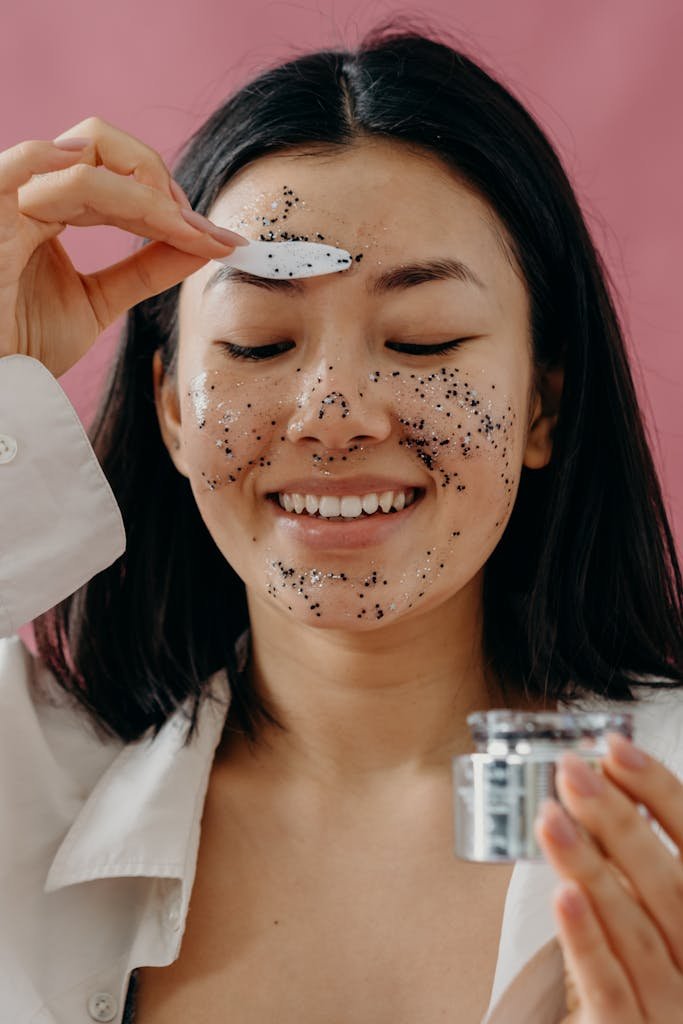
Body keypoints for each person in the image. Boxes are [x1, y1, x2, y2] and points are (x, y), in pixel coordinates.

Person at [1, 23, 682, 1024]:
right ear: (172, 408)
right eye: (259, 341)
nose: (333, 415)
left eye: (423, 339)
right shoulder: (25, 784)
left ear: (540, 403)